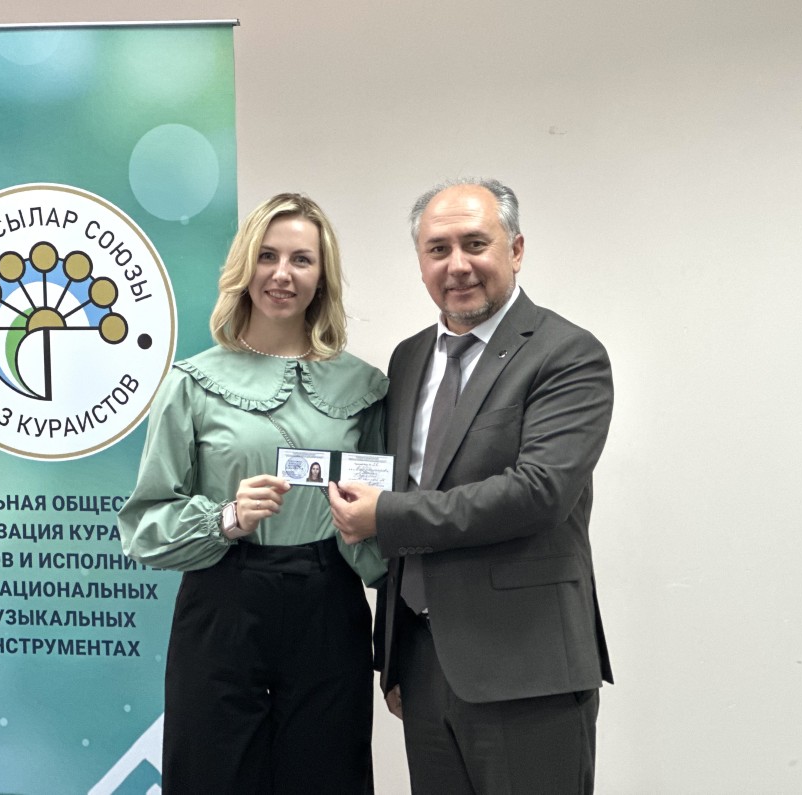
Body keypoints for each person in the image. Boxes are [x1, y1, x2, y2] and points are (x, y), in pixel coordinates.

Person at [329, 178, 614, 794]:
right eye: (438, 249)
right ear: (420, 263)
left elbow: (539, 492)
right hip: (423, 665)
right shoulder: (408, 359)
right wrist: (393, 654)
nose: (456, 265)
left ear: (516, 249)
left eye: (475, 244)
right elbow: (408, 479)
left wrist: (386, 516)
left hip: (527, 669)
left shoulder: (567, 354)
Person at [117, 193, 388, 794]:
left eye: (301, 259)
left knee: (329, 778)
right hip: (223, 602)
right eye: (267, 256)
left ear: (322, 276)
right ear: (244, 267)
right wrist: (226, 518)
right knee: (211, 776)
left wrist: (368, 530)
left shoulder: (366, 388)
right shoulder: (191, 384)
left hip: (328, 604)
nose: (282, 274)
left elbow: (379, 530)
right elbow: (143, 525)